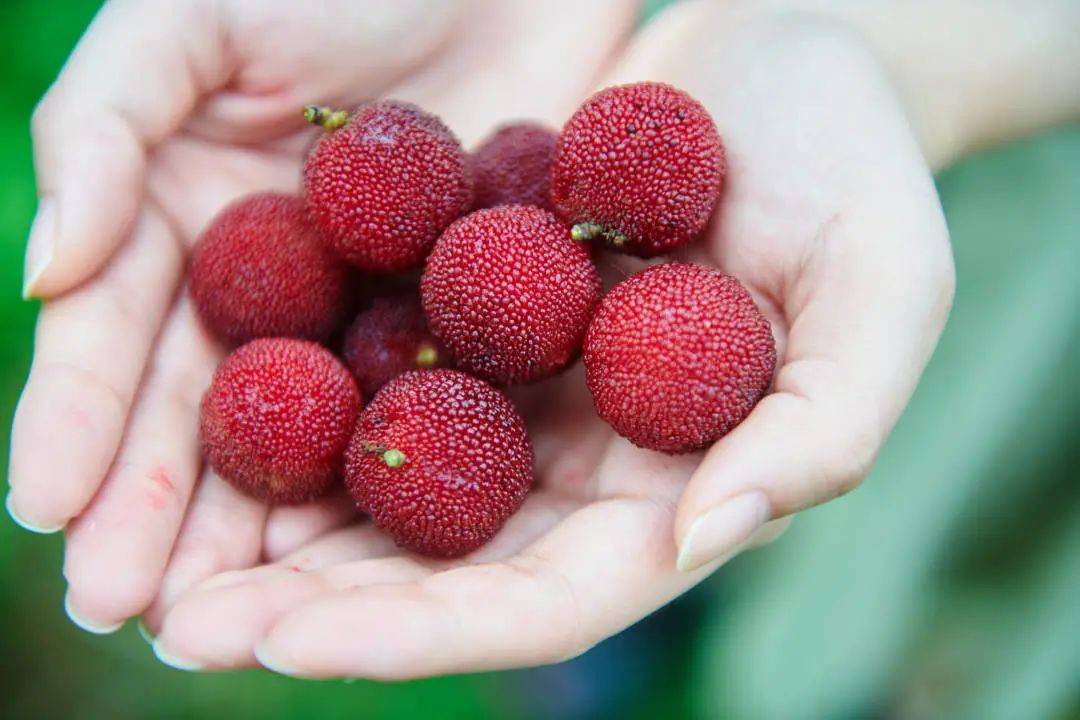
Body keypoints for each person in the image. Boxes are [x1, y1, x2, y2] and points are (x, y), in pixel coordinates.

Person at [7, 0, 1078, 678]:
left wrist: (870, 48)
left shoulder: (562, 232)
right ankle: (730, 656)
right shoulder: (439, 273)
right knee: (788, 554)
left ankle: (859, 666)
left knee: (965, 498)